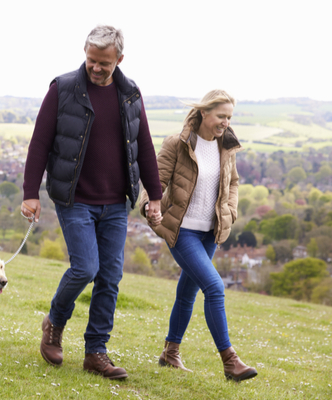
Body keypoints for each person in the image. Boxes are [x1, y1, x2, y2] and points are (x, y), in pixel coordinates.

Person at [21, 24, 163, 380]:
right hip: (75, 198)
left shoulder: (130, 93)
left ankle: (96, 352)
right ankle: (54, 322)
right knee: (85, 268)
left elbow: (143, 146)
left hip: (116, 202)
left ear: (119, 59)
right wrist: (30, 193)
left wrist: (155, 196)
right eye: (90, 61)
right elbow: (39, 143)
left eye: (104, 63)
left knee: (110, 277)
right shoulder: (63, 88)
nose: (96, 68)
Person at [138, 89, 257, 382]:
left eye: (229, 117)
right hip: (182, 231)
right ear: (204, 113)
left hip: (209, 233)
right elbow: (156, 180)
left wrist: (229, 211)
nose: (225, 123)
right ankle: (230, 361)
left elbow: (233, 183)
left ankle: (170, 352)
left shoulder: (225, 148)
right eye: (220, 116)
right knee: (215, 287)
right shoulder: (177, 144)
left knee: (187, 292)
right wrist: (147, 205)